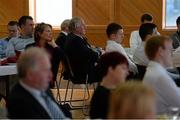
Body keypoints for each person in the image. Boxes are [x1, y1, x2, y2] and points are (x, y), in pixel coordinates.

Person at [7, 47, 70, 119]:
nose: (51, 75)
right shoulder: (19, 103)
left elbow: (60, 112)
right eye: (46, 71)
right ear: (30, 75)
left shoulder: (42, 87)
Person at [143, 36, 180, 115]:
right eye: (170, 50)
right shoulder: (160, 77)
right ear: (161, 51)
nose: (172, 54)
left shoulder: (155, 70)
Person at [90, 52, 129, 119]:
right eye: (123, 68)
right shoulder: (102, 96)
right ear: (110, 69)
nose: (127, 73)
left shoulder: (111, 92)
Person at [64, 17, 102, 84]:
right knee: (110, 68)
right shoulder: (75, 40)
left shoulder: (73, 37)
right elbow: (90, 54)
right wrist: (101, 53)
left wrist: (97, 52)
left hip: (81, 70)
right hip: (82, 74)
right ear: (76, 27)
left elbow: (88, 50)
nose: (85, 27)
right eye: (83, 25)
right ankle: (103, 93)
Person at [26, 23, 63, 88]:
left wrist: (54, 45)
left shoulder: (53, 48)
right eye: (48, 31)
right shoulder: (30, 47)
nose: (51, 33)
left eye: (51, 31)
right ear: (39, 33)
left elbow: (63, 57)